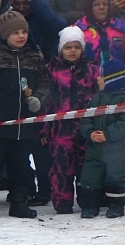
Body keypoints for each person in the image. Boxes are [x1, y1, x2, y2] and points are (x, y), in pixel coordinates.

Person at [0, 11, 50, 221]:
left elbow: (45, 82)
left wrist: (39, 100)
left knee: (22, 165)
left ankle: (19, 202)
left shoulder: (35, 56)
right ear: (6, 34)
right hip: (0, 123)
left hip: (25, 125)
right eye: (16, 32)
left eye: (24, 31)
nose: (21, 36)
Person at [41, 26, 100, 215]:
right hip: (60, 128)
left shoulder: (91, 69)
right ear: (61, 49)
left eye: (76, 47)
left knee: (86, 165)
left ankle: (87, 199)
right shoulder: (52, 70)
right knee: (61, 166)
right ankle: (62, 201)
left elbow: (100, 97)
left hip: (85, 127)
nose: (72, 51)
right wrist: (44, 129)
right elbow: (46, 103)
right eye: (68, 47)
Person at [77, 74, 125, 219]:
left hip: (117, 150)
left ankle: (116, 205)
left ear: (112, 79)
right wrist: (90, 133)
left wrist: (108, 134)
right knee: (91, 177)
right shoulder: (95, 99)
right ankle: (90, 206)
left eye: (102, 77)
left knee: (116, 177)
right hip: (94, 148)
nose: (97, 79)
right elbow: (86, 118)